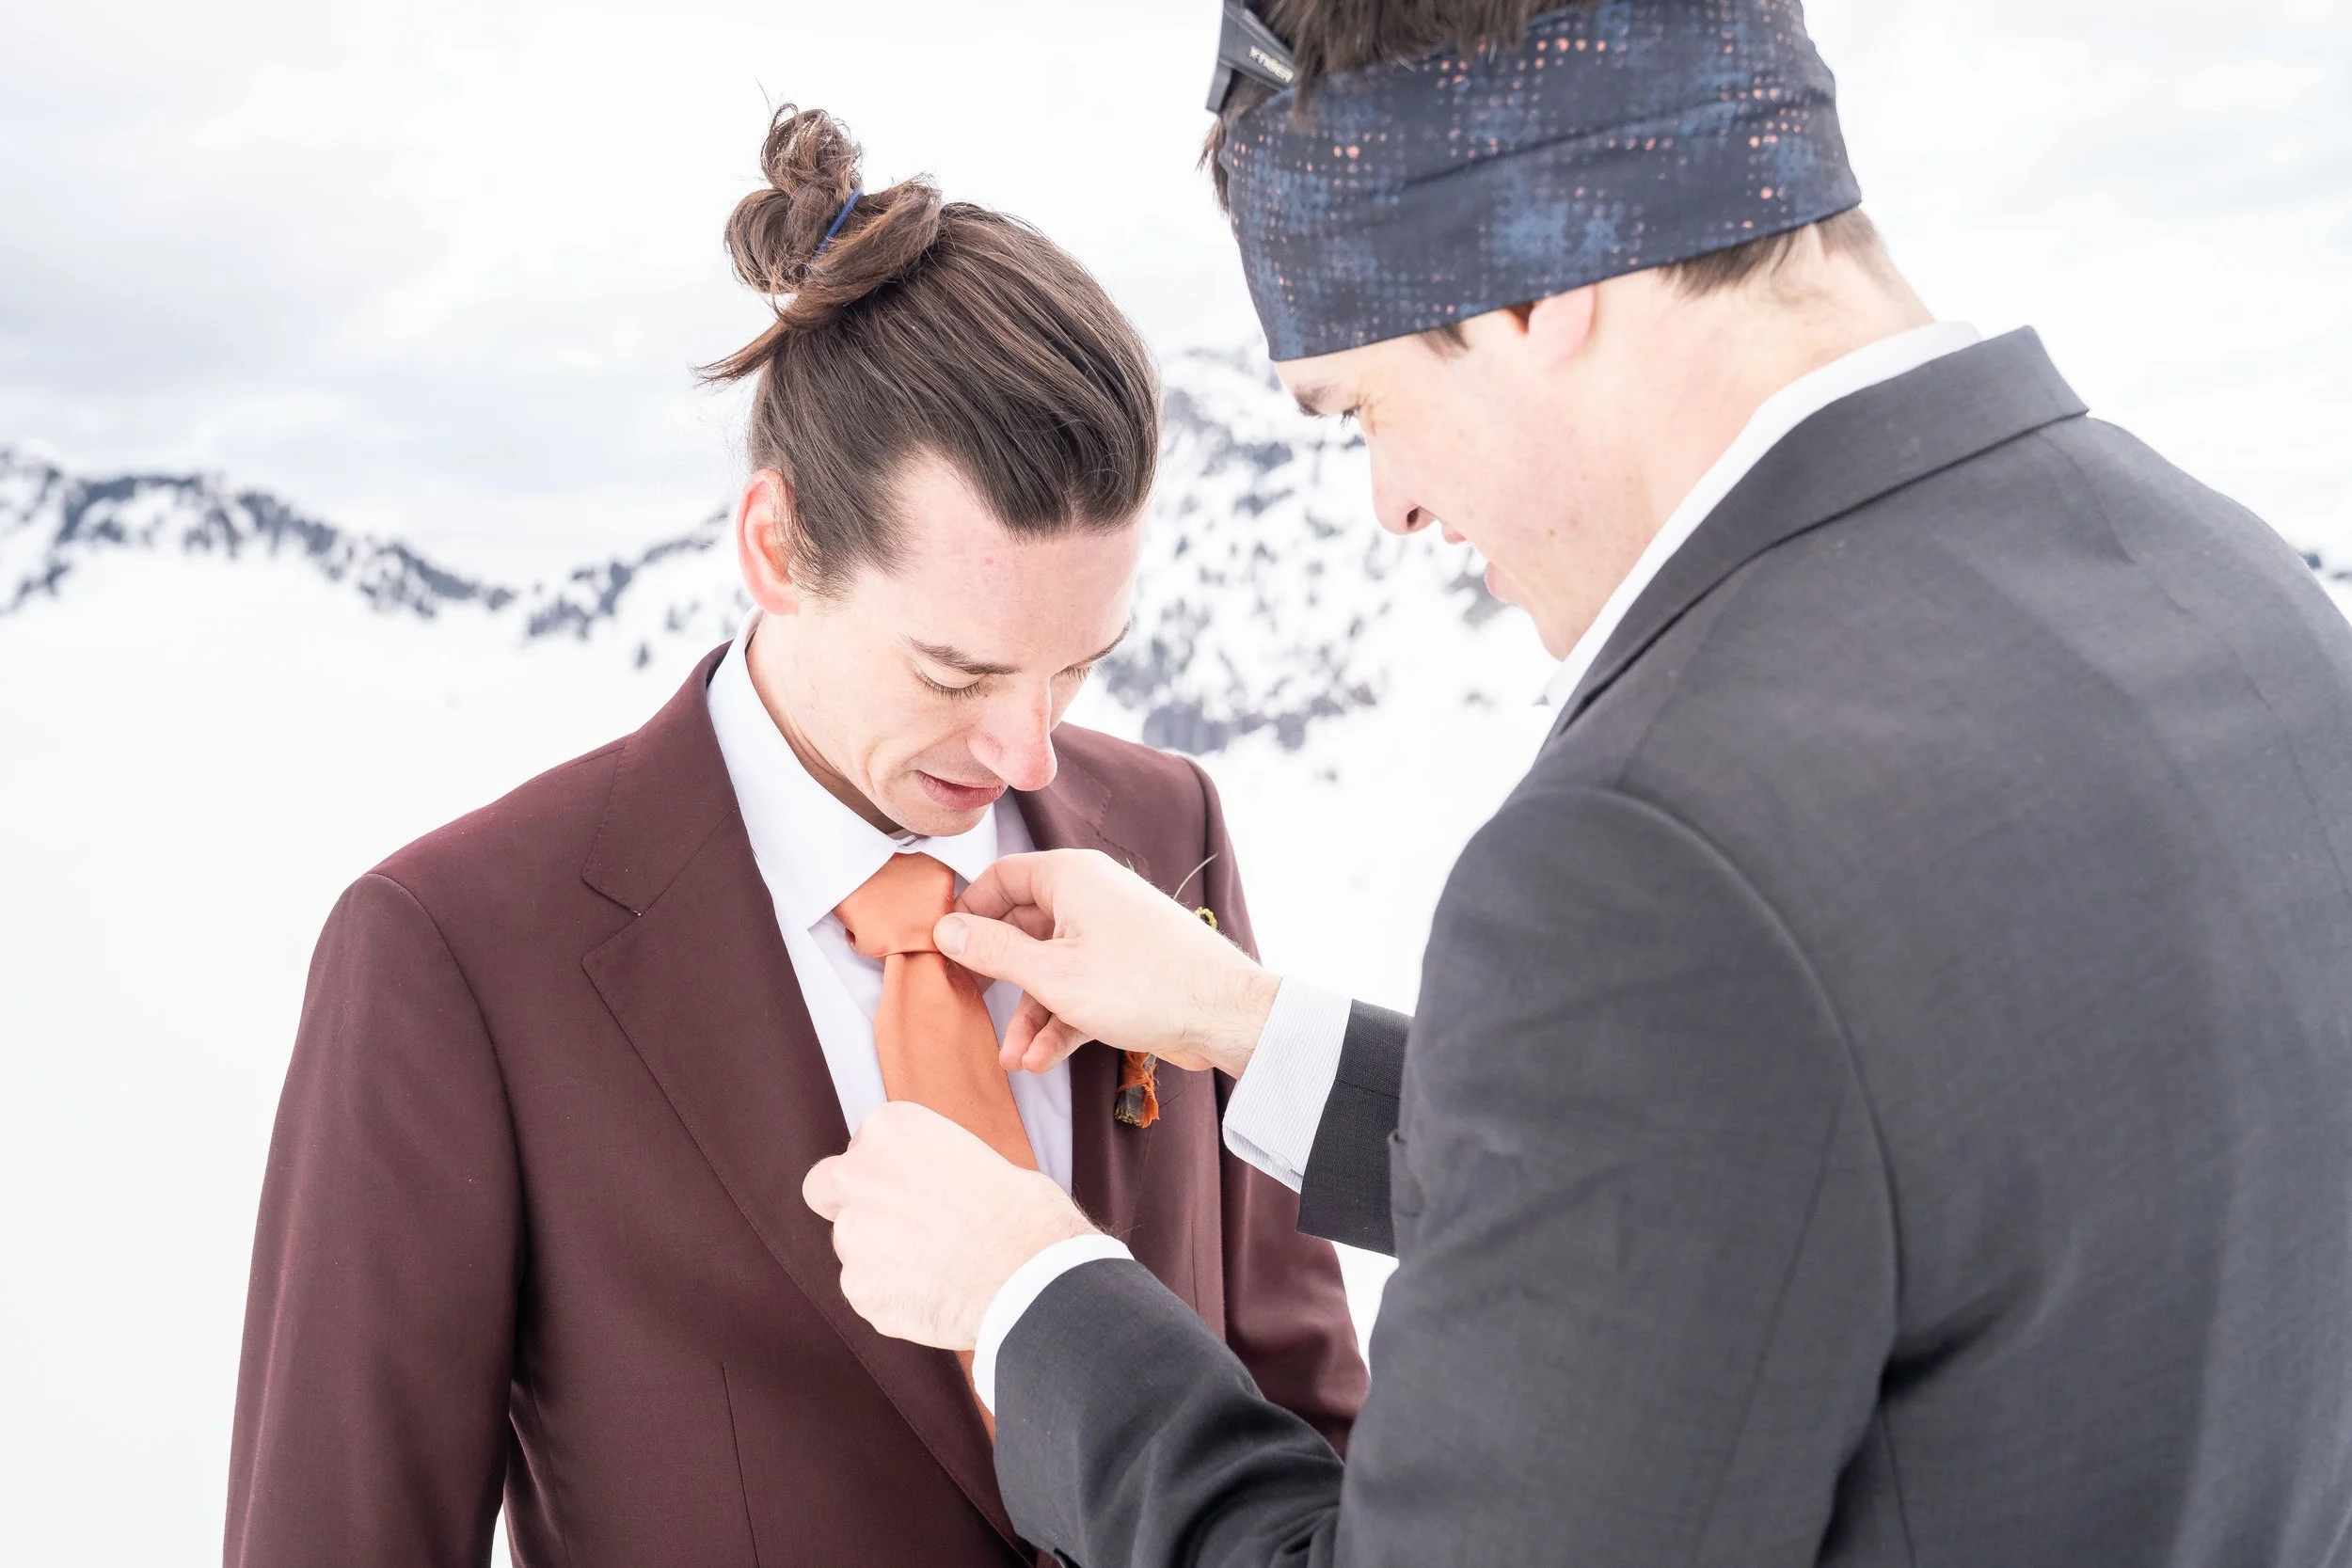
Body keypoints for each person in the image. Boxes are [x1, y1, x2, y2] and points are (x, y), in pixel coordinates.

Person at [802, 3, 2352, 1564]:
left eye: (1366, 407)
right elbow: (1790, 1156)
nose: (1395, 502)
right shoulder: (2232, 593)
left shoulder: (1654, 853)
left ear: (1534, 278)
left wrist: (1027, 1290)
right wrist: (1250, 1027)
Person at [224, 104, 1364, 1568]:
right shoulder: (457, 952)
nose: (1030, 750)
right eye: (954, 674)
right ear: (776, 547)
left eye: (1078, 666)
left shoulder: (1162, 824)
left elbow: (1316, 1430)